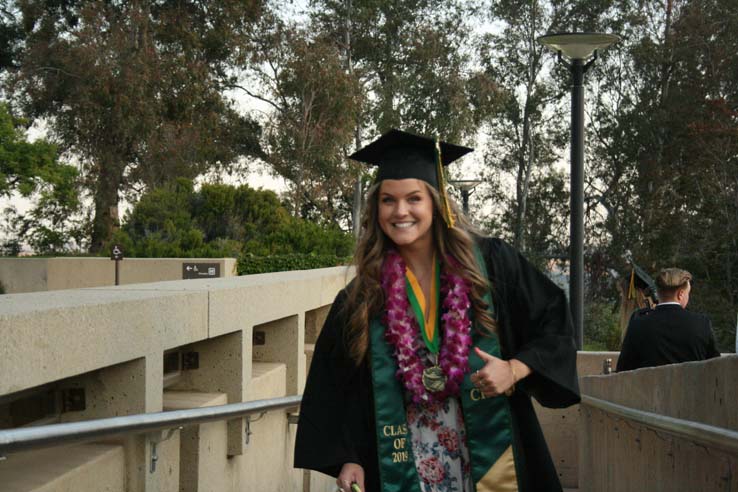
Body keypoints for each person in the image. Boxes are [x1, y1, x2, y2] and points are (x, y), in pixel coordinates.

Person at [294, 129, 580, 492]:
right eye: (387, 200)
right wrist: (350, 456)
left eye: (413, 198)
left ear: (436, 201)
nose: (400, 211)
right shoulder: (363, 295)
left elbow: (552, 318)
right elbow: (336, 385)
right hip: (405, 461)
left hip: (488, 452)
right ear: (375, 208)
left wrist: (513, 369)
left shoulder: (490, 265)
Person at [616, 267, 721, 372]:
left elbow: (623, 369)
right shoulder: (702, 323)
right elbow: (716, 366)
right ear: (680, 294)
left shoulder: (638, 324)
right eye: (688, 293)